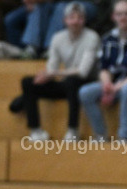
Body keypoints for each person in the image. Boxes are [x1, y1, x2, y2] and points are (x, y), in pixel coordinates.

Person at [20, 1, 98, 141]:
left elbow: (83, 72)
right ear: (64, 20)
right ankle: (35, 130)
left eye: (79, 18)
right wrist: (46, 76)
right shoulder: (57, 37)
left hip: (87, 82)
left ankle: (73, 130)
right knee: (28, 82)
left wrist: (52, 73)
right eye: (72, 18)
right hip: (67, 82)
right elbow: (52, 66)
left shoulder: (92, 37)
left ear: (84, 20)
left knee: (73, 81)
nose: (75, 21)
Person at [78, 0, 127, 142]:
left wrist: (117, 87)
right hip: (115, 85)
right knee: (85, 92)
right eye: (119, 14)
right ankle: (101, 135)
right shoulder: (108, 38)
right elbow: (104, 68)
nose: (123, 18)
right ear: (113, 17)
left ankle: (124, 137)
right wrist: (107, 85)